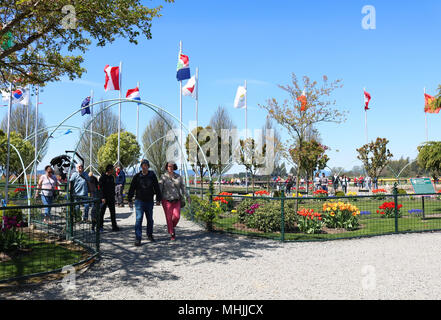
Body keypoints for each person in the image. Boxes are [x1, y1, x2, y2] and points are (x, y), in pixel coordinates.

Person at [127, 159, 162, 246]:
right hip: (139, 201)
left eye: (146, 165)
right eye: (143, 165)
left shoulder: (152, 175)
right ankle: (138, 238)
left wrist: (158, 199)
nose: (144, 167)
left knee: (150, 219)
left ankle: (149, 234)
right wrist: (129, 199)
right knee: (139, 219)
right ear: (141, 166)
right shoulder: (137, 176)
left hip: (149, 201)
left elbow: (156, 187)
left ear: (148, 166)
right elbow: (132, 188)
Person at [159, 161, 190, 241]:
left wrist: (187, 196)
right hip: (166, 200)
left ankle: (171, 227)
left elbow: (183, 187)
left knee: (176, 216)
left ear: (174, 167)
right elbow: (160, 188)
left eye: (172, 166)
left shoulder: (178, 176)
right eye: (169, 166)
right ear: (166, 167)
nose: (170, 168)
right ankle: (172, 233)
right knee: (169, 218)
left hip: (177, 200)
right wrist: (158, 199)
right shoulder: (163, 177)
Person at [97, 164, 120, 232]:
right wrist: (102, 197)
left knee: (113, 212)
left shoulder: (112, 177)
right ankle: (100, 226)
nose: (113, 170)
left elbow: (113, 187)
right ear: (109, 169)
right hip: (104, 198)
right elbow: (100, 188)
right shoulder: (103, 177)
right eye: (112, 169)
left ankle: (114, 226)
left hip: (111, 197)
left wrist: (114, 196)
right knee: (102, 212)